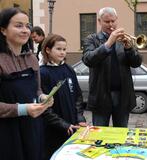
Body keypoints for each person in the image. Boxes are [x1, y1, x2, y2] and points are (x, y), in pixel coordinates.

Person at [0, 7, 53, 160]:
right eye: (18, 25)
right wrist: (23, 109)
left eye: (27, 25)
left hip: (32, 129)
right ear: (3, 30)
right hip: (7, 134)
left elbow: (36, 90)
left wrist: (43, 98)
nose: (25, 30)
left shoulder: (32, 58)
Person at [82, 7, 142, 127]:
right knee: (100, 134)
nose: (111, 24)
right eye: (107, 22)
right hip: (101, 95)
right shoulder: (91, 39)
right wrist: (109, 43)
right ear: (99, 21)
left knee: (121, 133)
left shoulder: (123, 40)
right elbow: (88, 59)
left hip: (122, 96)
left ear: (117, 20)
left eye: (113, 21)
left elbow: (137, 63)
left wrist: (129, 49)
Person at [40, 34, 87, 159]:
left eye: (64, 49)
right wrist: (63, 125)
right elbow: (44, 109)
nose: (62, 52)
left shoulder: (69, 69)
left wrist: (80, 118)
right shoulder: (43, 73)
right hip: (54, 130)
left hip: (72, 126)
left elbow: (77, 96)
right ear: (48, 50)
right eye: (58, 49)